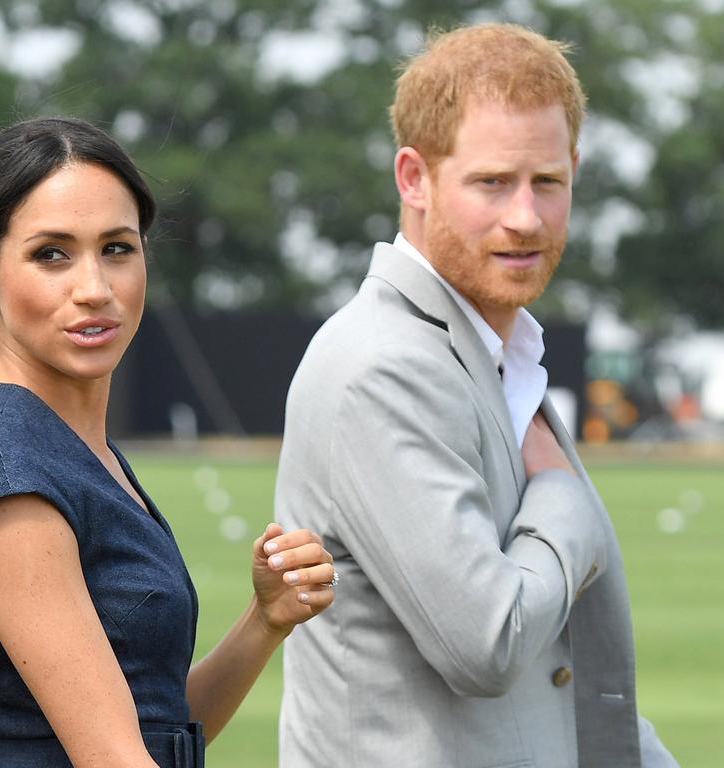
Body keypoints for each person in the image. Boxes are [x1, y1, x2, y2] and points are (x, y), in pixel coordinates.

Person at [275, 22, 678, 768]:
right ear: (413, 178)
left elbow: (556, 692)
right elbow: (488, 644)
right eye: (492, 181)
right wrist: (563, 497)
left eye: (547, 182)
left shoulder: (495, 352)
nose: (524, 216)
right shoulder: (382, 366)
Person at [0, 117, 336, 768]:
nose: (94, 289)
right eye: (51, 253)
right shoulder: (8, 472)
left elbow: (158, 726)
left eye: (117, 248)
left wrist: (264, 621)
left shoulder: (73, 449)